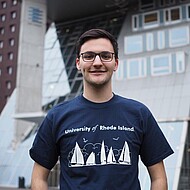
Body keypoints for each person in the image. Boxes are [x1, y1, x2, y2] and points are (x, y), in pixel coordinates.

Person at [29, 28, 174, 190]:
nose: (97, 63)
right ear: (78, 63)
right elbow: (38, 177)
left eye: (105, 56)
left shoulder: (139, 114)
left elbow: (159, 177)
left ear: (116, 63)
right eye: (89, 56)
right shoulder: (57, 116)